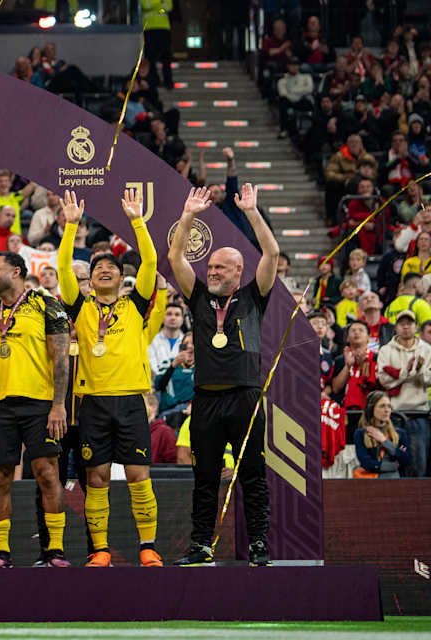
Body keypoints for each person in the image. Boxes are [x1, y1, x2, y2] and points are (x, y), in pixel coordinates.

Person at [167, 183, 279, 568]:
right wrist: (187, 216)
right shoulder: (197, 296)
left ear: (238, 271)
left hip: (246, 397)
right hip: (206, 399)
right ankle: (201, 545)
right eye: (210, 267)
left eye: (219, 267)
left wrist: (250, 211)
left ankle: (260, 544)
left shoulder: (253, 296)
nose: (211, 271)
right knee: (205, 478)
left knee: (253, 474)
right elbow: (175, 254)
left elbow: (272, 252)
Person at [57, 188, 162, 567]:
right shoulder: (80, 306)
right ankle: (99, 550)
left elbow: (150, 259)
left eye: (112, 268)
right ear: (91, 278)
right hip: (94, 403)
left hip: (131, 400)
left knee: (137, 475)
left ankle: (148, 546)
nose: (104, 270)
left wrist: (137, 220)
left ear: (122, 278)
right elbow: (65, 268)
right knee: (97, 477)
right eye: (98, 267)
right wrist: (71, 228)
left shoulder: (136, 304)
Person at [0, 251, 71, 568]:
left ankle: (54, 550)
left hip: (41, 405)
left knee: (47, 474)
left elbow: (61, 358)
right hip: (0, 407)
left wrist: (58, 405)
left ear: (16, 271)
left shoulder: (46, 305)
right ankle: (1, 553)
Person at [375, 310, 431, 477]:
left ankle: (417, 501)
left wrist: (417, 371)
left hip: (419, 413)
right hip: (392, 414)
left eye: (409, 323)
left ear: (416, 328)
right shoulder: (386, 350)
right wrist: (407, 373)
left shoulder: (427, 350)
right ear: (396, 327)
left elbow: (428, 380)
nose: (406, 327)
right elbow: (383, 380)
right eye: (401, 323)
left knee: (419, 462)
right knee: (391, 462)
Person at [354, 391, 412, 478]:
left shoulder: (400, 433)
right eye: (382, 406)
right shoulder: (360, 434)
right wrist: (394, 465)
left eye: (389, 406)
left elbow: (406, 460)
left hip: (394, 482)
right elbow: (367, 464)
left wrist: (384, 441)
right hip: (370, 483)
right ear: (371, 409)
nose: (387, 410)